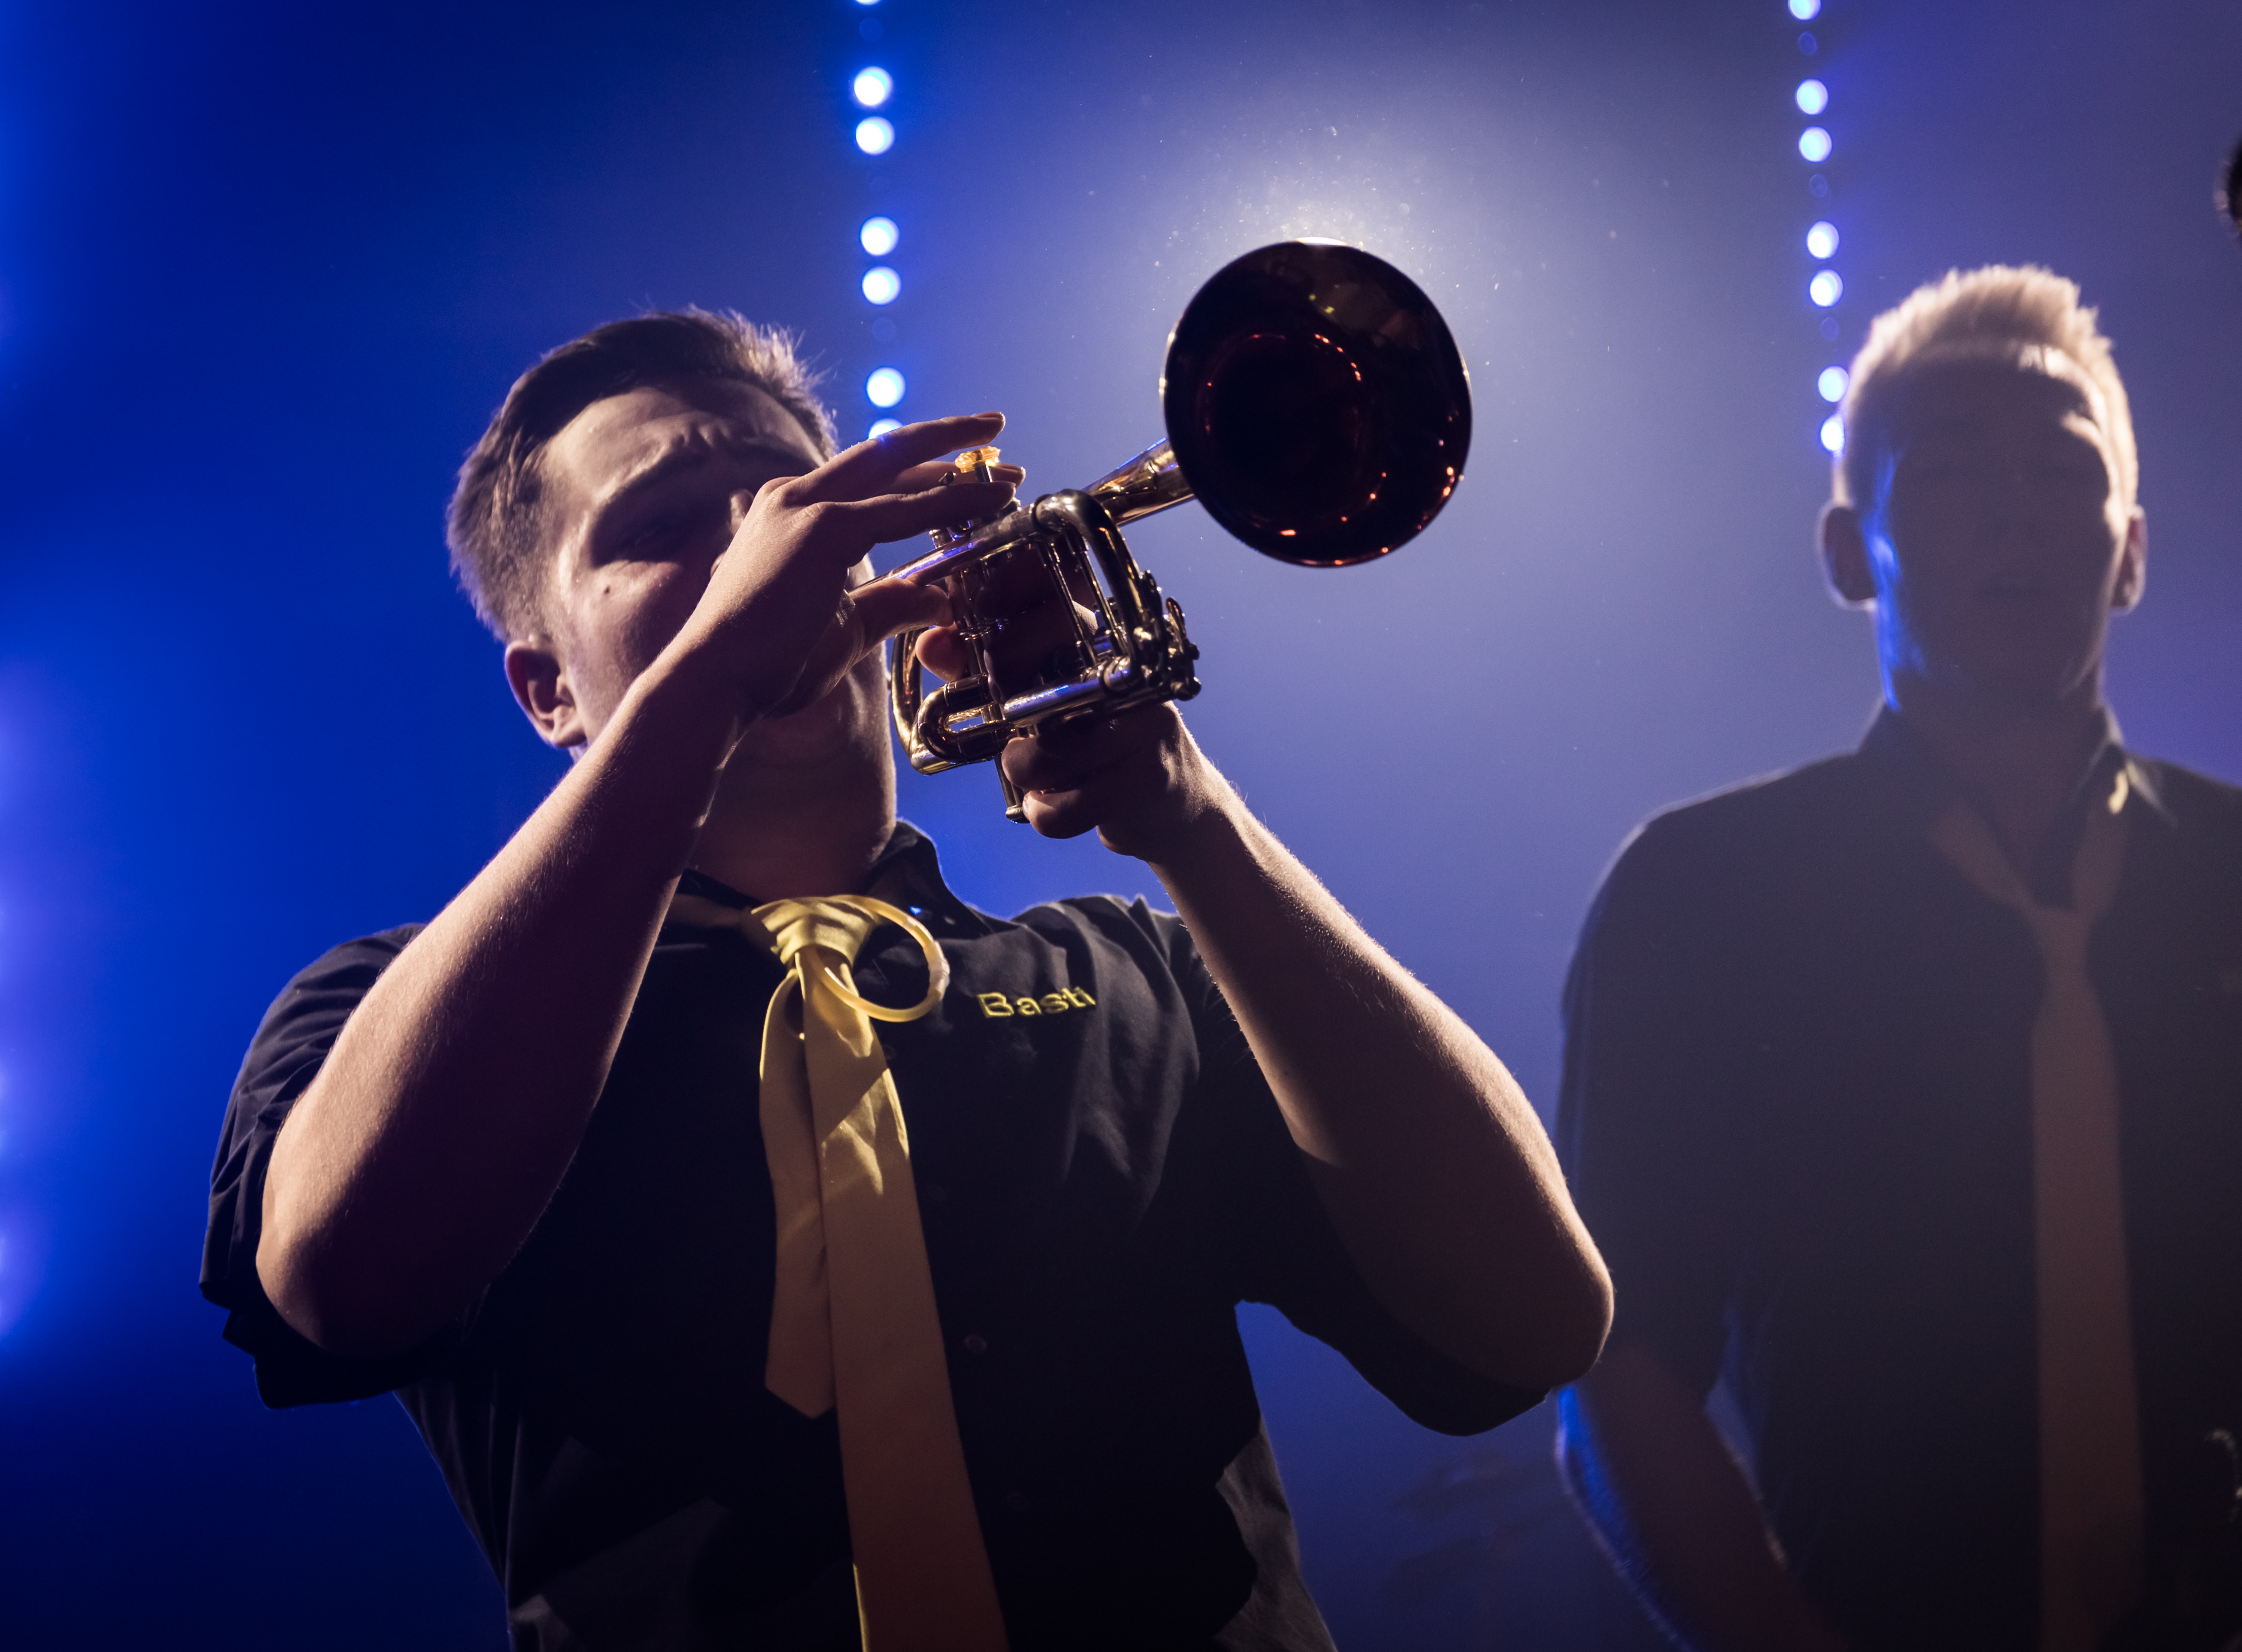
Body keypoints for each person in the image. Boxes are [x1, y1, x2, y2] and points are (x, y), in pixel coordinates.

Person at [201, 311, 1611, 1650]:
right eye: (658, 530)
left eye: (785, 499)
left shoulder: (1143, 971)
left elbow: (1536, 1319)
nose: (759, 546)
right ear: (547, 691)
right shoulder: (395, 1009)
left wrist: (1185, 812)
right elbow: (341, 1278)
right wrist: (706, 687)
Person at [1555, 267, 2242, 1652]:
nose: (2013, 511)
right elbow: (1615, 1361)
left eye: (2062, 470)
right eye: (1948, 473)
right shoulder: (1699, 892)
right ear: (1846, 550)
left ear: (2130, 550)